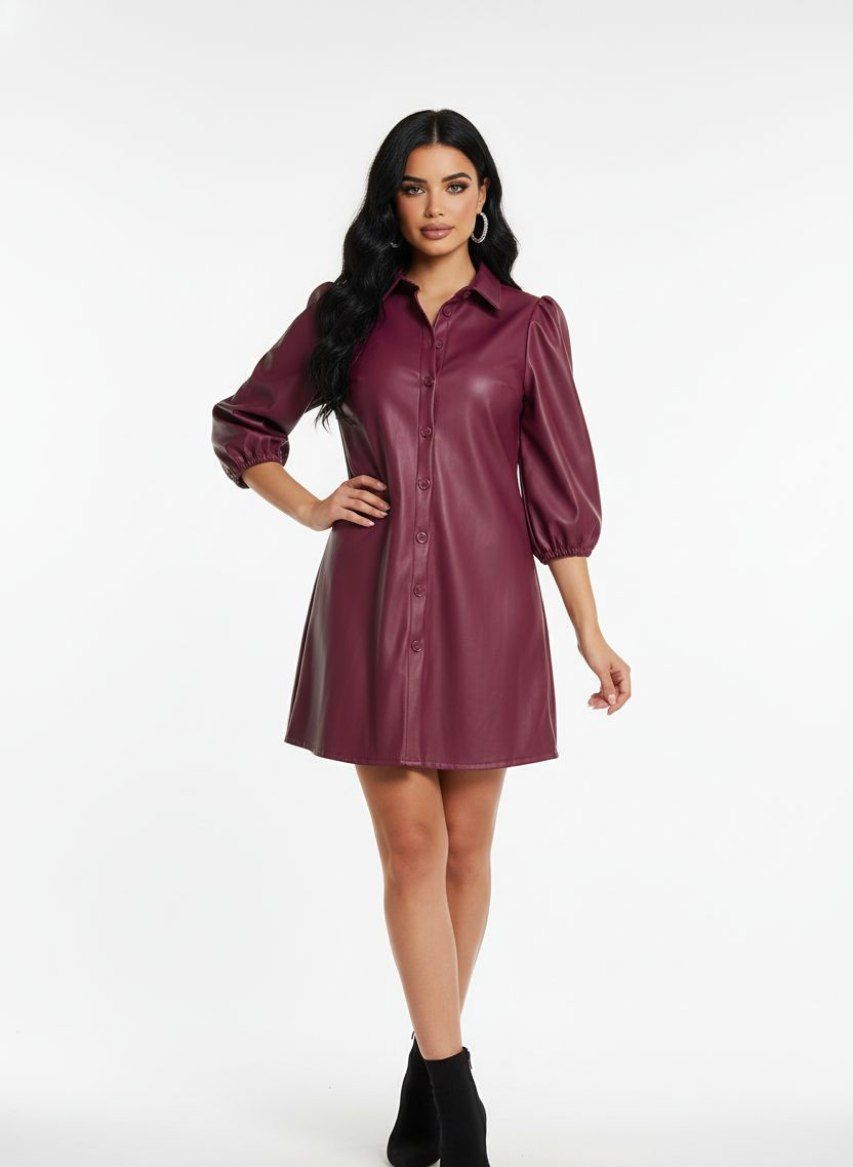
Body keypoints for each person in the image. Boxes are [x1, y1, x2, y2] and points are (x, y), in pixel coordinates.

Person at [211, 108, 631, 1167]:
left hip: (489, 606)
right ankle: (459, 1100)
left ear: (483, 196)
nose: (433, 206)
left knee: (469, 852)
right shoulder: (345, 312)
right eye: (412, 186)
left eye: (453, 184)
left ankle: (420, 1070)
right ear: (388, 199)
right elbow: (246, 423)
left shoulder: (528, 323)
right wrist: (310, 506)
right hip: (373, 600)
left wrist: (589, 632)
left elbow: (559, 493)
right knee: (412, 847)